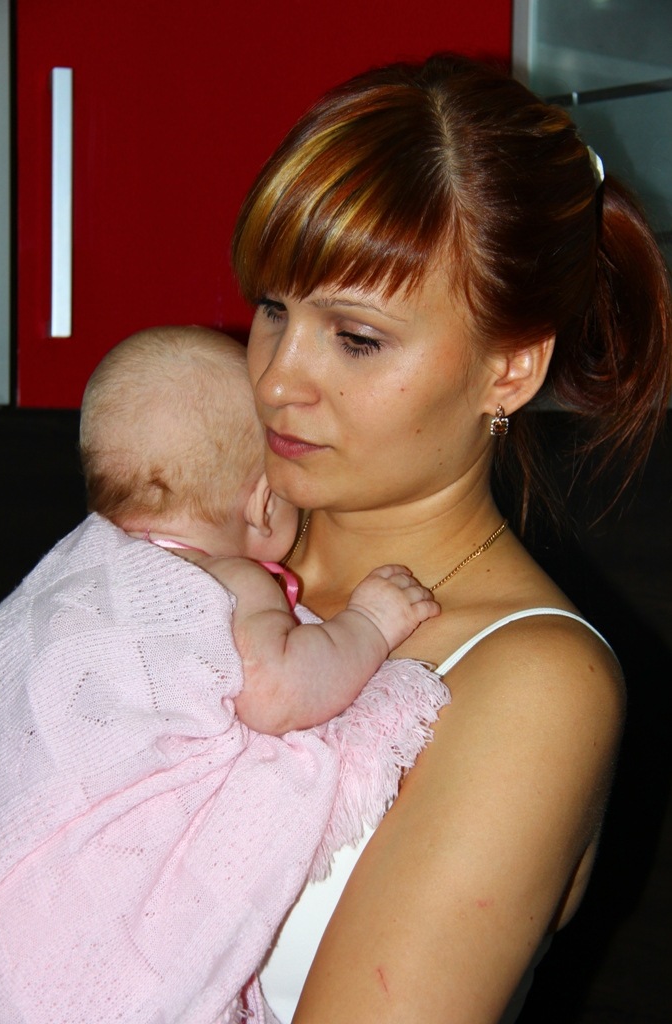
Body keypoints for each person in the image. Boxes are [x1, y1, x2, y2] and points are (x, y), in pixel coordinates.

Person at [230, 52, 672, 1023]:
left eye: (355, 338)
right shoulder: (195, 547)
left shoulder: (535, 684)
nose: (274, 379)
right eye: (272, 309)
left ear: (508, 370)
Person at [0, 325, 447, 1023]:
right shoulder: (226, 581)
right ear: (263, 504)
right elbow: (277, 690)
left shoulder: (71, 568)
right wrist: (369, 624)